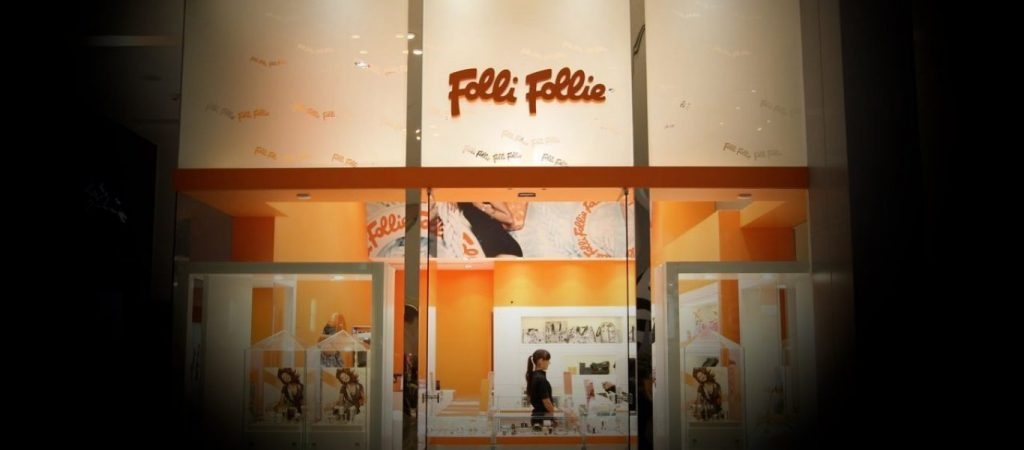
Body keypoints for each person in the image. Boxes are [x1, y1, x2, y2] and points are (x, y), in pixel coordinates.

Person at [458, 202, 524, 257]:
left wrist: (482, 207)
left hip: (504, 246)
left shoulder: (486, 193)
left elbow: (509, 219)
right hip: (487, 248)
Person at [525, 349, 560, 428]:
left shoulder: (533, 376)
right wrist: (553, 416)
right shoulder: (540, 378)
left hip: (537, 417)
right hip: (543, 418)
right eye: (547, 360)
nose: (549, 363)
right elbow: (546, 402)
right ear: (541, 360)